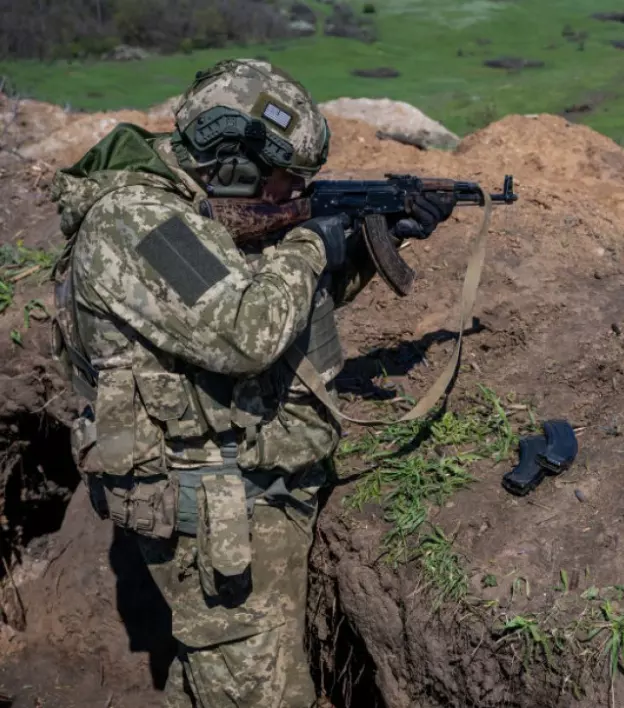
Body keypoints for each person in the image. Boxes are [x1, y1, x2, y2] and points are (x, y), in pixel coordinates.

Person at [47, 58, 454, 707]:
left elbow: (255, 294)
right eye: (282, 182)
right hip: (204, 505)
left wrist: (364, 249)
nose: (287, 198)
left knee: (216, 681)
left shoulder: (181, 206)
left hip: (231, 485)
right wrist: (312, 245)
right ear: (230, 158)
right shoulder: (139, 219)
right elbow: (245, 330)